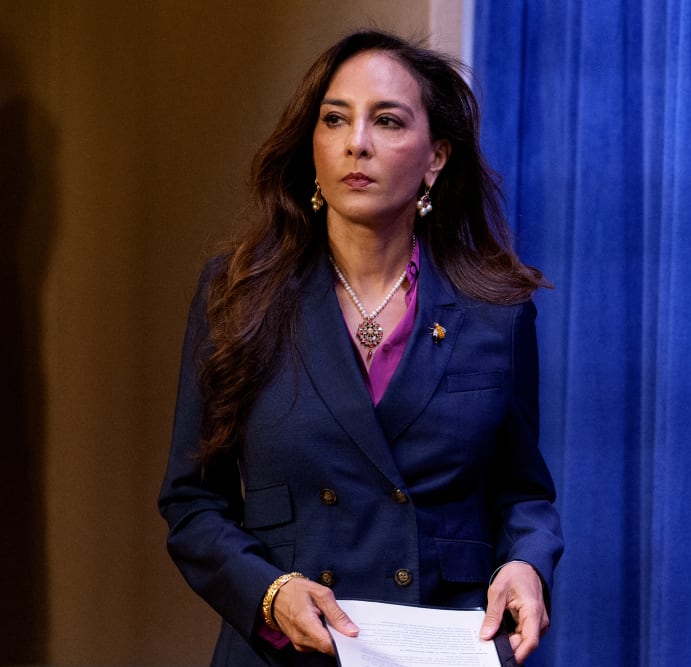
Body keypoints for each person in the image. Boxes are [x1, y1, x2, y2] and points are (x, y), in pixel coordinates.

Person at [158, 29, 563, 666]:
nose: (357, 143)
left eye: (388, 121)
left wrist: (527, 565)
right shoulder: (236, 297)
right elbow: (193, 503)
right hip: (287, 650)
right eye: (335, 119)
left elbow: (522, 495)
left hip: (443, 644)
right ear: (313, 145)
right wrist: (271, 593)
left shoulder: (497, 311)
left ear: (435, 158)